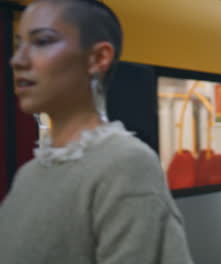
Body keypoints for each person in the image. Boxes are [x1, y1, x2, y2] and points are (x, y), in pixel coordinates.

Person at [0, 0, 194, 263]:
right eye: (18, 43)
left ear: (98, 58)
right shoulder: (28, 174)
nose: (17, 60)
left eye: (42, 41)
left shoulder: (126, 165)